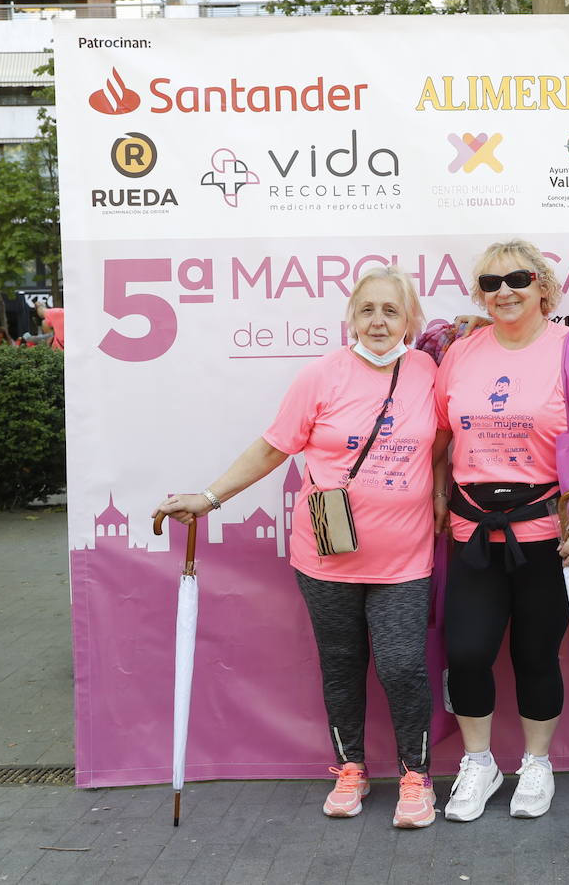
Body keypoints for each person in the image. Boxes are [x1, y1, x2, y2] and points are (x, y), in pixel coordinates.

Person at [153, 267, 445, 829]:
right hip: (325, 556)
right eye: (367, 310)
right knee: (341, 665)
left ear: (410, 320)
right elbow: (271, 449)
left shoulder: (427, 372)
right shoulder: (320, 377)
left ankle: (416, 775)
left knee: (403, 665)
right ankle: (351, 768)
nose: (378, 322)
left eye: (391, 310)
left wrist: (437, 486)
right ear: (349, 319)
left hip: (404, 557)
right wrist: (209, 497)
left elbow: (443, 437)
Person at [433, 238, 569, 822]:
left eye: (515, 279)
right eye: (490, 283)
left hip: (547, 533)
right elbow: (442, 435)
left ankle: (537, 765)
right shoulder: (462, 352)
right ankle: (479, 763)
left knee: (537, 655)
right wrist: (438, 492)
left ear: (542, 285)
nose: (503, 292)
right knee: (465, 653)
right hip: (473, 533)